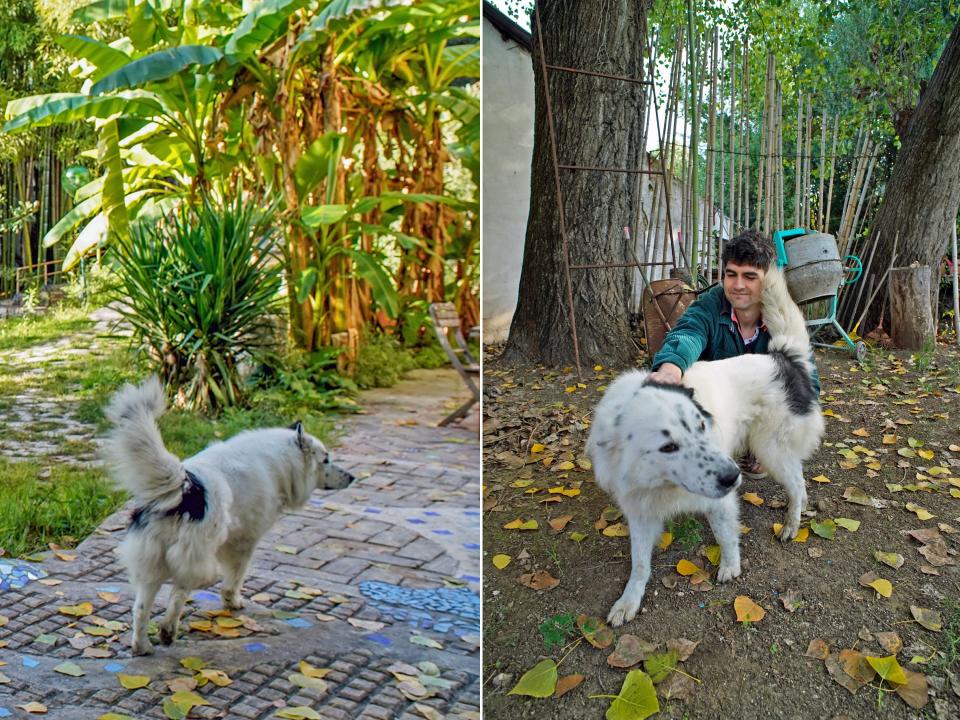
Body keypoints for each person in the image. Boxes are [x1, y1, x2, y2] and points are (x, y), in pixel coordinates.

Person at [648, 229, 821, 477]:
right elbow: (688, 334)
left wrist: (784, 430)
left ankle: (758, 447)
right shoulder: (710, 304)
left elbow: (807, 379)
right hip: (721, 411)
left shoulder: (783, 316)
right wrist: (670, 369)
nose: (738, 285)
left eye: (750, 276)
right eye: (731, 275)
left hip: (765, 412)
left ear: (767, 280)